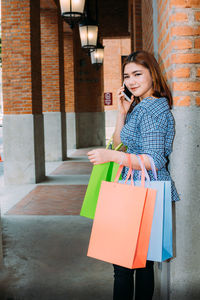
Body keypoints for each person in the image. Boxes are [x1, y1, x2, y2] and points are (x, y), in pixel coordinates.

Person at [87, 50, 179, 300]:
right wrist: (122, 112)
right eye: (127, 76)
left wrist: (112, 157)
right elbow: (120, 142)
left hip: (142, 192)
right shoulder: (140, 107)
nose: (131, 81)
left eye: (138, 74)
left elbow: (155, 160)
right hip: (136, 190)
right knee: (138, 263)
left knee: (125, 266)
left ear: (153, 74)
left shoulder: (151, 110)